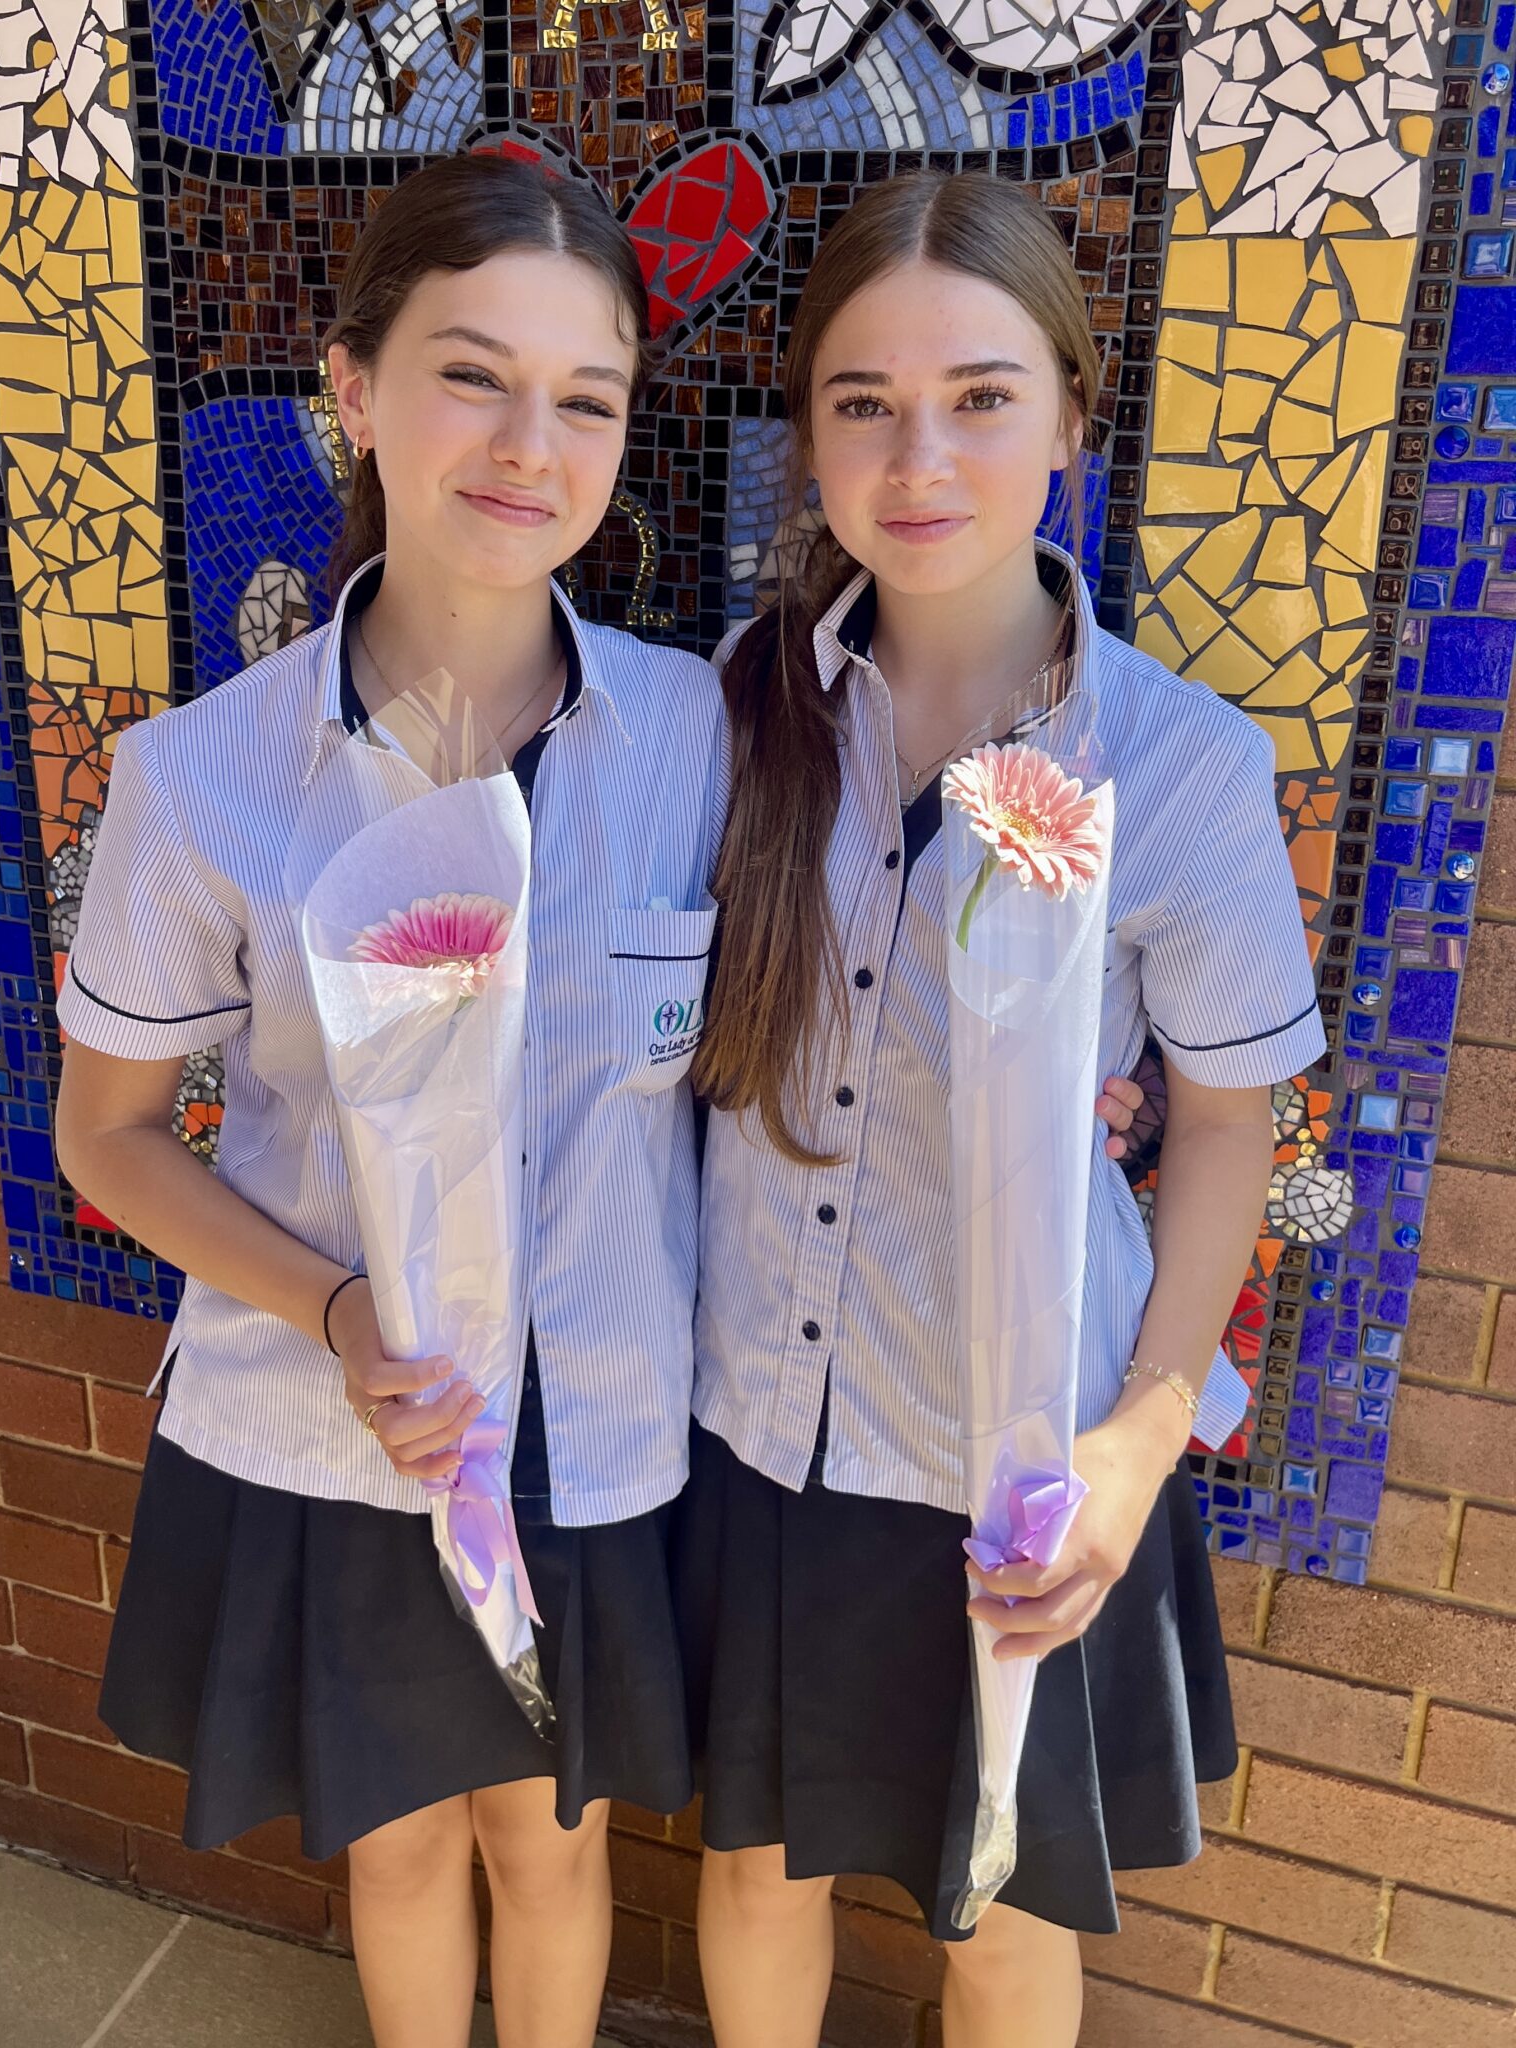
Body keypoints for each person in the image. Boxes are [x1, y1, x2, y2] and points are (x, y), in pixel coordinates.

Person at [53, 153, 727, 2048]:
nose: (529, 445)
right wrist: (339, 1309)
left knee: (556, 1844)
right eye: (471, 375)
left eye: (585, 398)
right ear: (353, 388)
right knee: (409, 1844)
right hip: (346, 1427)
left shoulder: (697, 736)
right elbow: (106, 1134)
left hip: (596, 1419)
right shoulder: (206, 775)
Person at [678, 168, 1326, 2048]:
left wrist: (1138, 1436)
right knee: (753, 1863)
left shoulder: (1181, 766)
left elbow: (1228, 1125)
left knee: (999, 1903)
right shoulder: (739, 712)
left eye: (980, 397)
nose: (920, 459)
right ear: (808, 435)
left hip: (1021, 1444)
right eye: (863, 402)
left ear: (1068, 416)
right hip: (763, 1420)